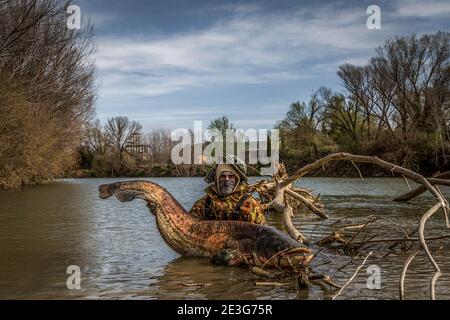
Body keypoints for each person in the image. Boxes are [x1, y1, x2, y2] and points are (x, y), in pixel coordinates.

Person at [189, 156, 267, 224]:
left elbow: (262, 234)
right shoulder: (203, 203)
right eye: (222, 176)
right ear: (216, 179)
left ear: (237, 179)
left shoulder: (250, 205)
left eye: (231, 176)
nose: (226, 179)